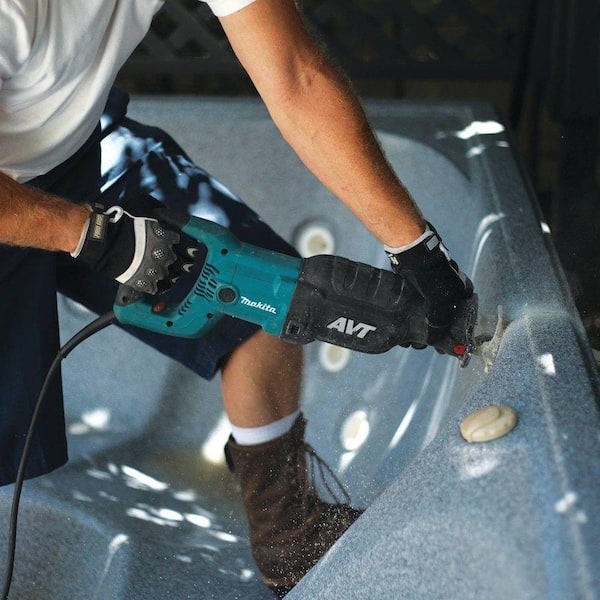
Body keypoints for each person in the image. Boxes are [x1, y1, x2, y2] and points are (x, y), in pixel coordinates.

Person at [0, 0, 473, 596]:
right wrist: (98, 237)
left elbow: (297, 76)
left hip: (76, 148)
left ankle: (289, 536)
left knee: (265, 295)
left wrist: (416, 248)